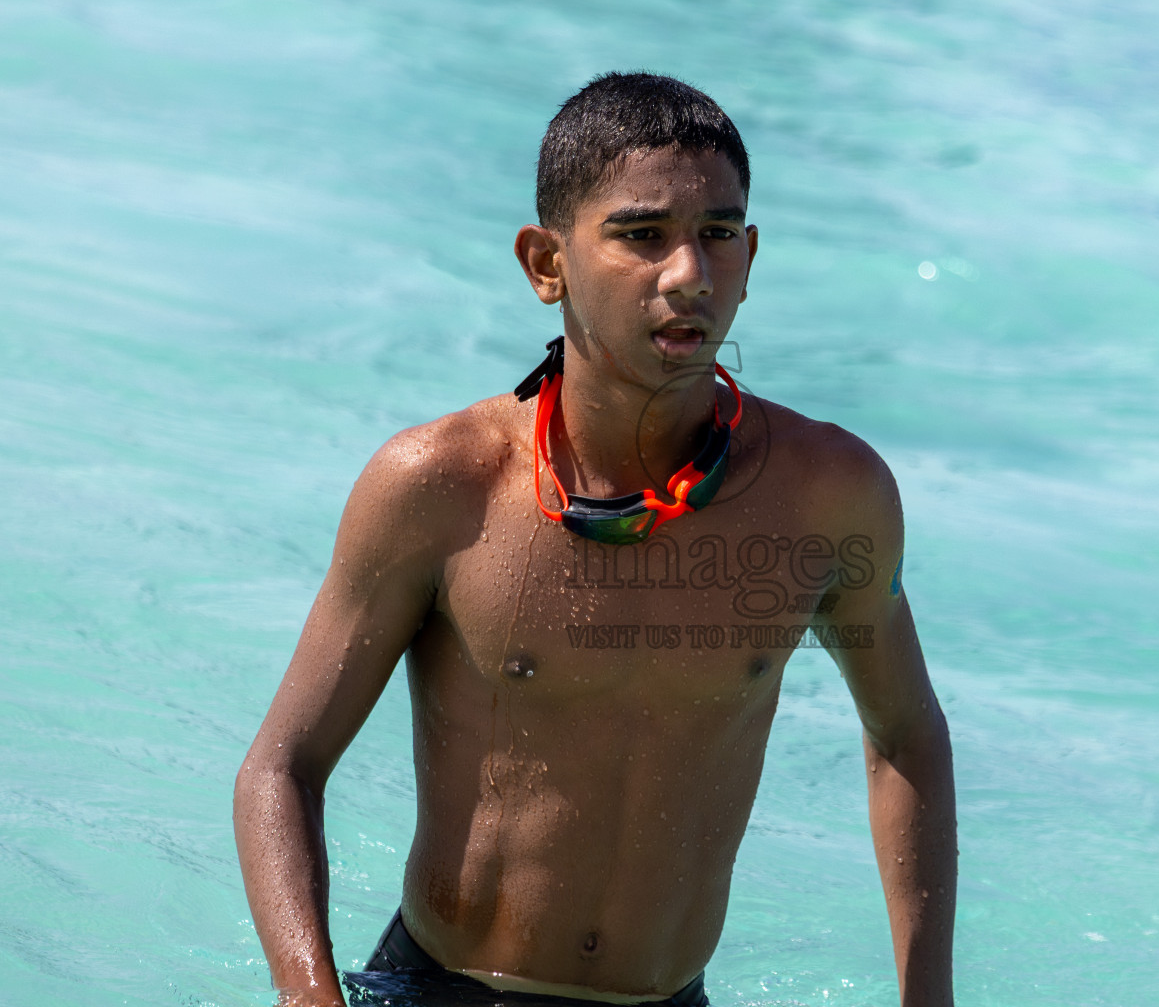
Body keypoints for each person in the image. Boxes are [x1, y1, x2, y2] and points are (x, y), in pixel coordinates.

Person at [233, 71, 956, 1007]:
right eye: (642, 236)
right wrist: (308, 996)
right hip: (442, 989)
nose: (689, 275)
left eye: (719, 235)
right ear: (546, 264)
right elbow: (280, 770)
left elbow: (905, 731)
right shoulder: (440, 488)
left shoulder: (829, 495)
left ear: (751, 255)